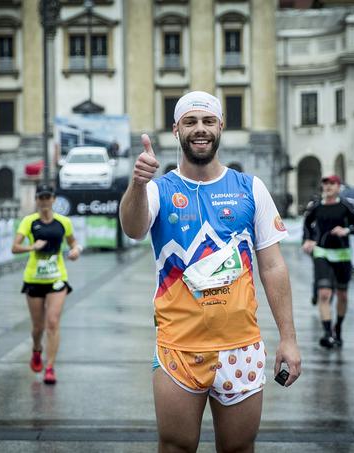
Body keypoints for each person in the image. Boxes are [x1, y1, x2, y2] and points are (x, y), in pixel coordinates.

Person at [119, 91, 301, 452]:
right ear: (176, 129)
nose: (199, 129)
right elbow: (133, 227)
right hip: (179, 348)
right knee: (175, 447)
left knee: (238, 449)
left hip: (241, 348)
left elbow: (273, 264)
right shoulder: (159, 189)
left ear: (221, 126)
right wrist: (137, 184)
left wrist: (288, 338)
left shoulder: (251, 188)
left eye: (207, 121)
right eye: (190, 122)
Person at [12, 184, 81, 385]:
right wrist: (32, 247)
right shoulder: (29, 221)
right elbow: (14, 248)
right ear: (37, 200)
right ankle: (36, 349)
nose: (44, 201)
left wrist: (75, 251)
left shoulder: (63, 222)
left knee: (52, 322)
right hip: (34, 279)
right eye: (40, 197)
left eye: (47, 197)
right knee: (38, 327)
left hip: (57, 278)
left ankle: (50, 367)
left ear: (53, 199)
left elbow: (73, 243)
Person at [302, 174, 354, 349]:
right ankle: (327, 333)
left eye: (331, 184)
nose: (327, 186)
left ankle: (338, 328)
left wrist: (346, 231)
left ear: (338, 186)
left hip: (342, 255)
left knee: (342, 295)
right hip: (322, 253)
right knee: (324, 294)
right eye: (325, 184)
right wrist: (307, 240)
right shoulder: (316, 206)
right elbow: (307, 224)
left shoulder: (346, 206)